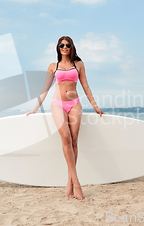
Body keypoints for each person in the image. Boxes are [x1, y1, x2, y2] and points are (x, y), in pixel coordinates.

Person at [26, 36, 104, 200]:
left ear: (72, 47)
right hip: (58, 104)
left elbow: (86, 86)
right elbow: (45, 89)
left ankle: (69, 183)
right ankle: (76, 182)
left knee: (75, 140)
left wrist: (95, 106)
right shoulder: (53, 66)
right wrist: (35, 109)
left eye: (67, 45)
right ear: (58, 47)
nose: (65, 47)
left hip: (75, 104)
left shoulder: (79, 65)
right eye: (62, 45)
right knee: (66, 138)